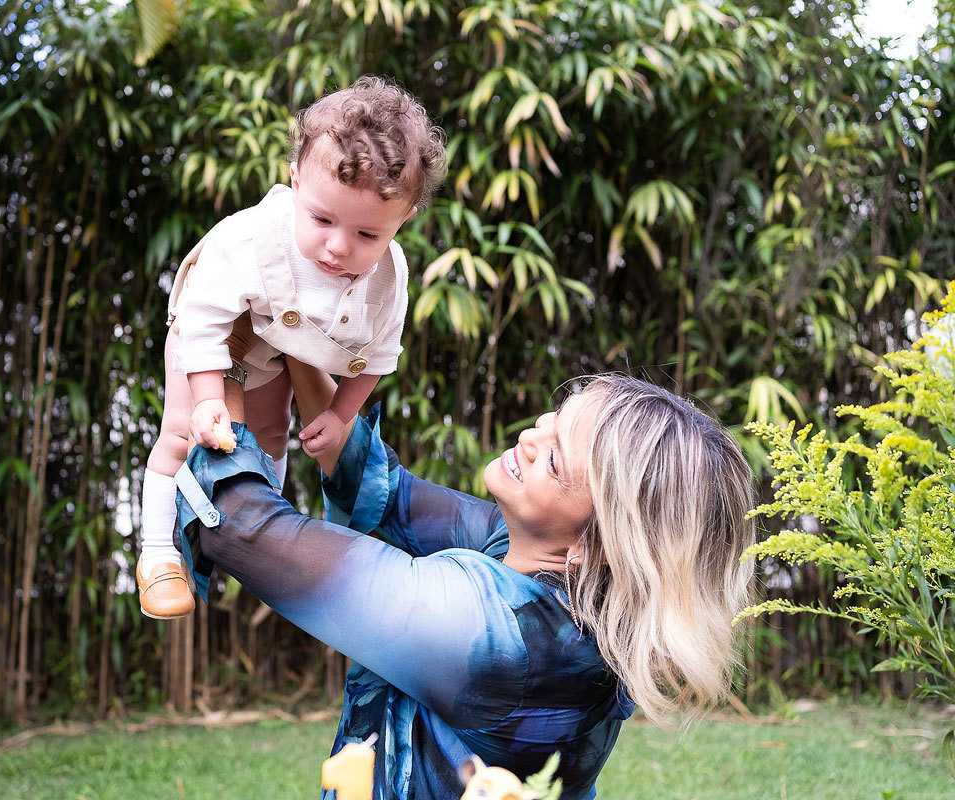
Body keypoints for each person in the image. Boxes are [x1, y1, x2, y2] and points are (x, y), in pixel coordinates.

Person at [173, 355, 756, 800]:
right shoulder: (561, 576)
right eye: (552, 422)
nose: (530, 439)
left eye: (555, 459)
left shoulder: (497, 634)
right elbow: (380, 493)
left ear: (601, 544)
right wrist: (296, 329)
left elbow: (239, 528)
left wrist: (219, 376)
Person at [138, 76, 447, 618]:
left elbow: (378, 354)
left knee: (274, 433)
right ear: (295, 177)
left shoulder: (389, 278)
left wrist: (341, 411)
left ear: (404, 221)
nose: (337, 246)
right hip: (210, 342)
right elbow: (203, 319)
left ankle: (258, 521)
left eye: (368, 235)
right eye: (322, 219)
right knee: (185, 431)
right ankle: (158, 553)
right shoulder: (250, 239)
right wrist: (209, 396)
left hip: (281, 352)